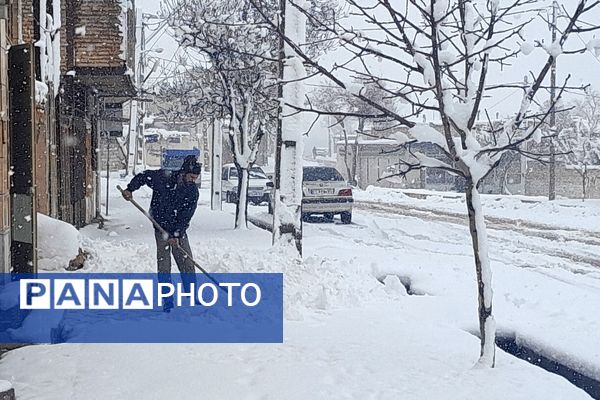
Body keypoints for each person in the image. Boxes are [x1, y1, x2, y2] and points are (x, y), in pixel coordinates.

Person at [121, 155, 201, 311]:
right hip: (160, 228)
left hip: (179, 231)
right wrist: (130, 189)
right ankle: (167, 300)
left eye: (195, 178)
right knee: (164, 266)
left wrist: (176, 235)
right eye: (191, 177)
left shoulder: (192, 192)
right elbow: (143, 177)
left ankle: (192, 296)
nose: (193, 180)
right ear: (184, 172)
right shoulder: (163, 178)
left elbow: (186, 216)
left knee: (187, 263)